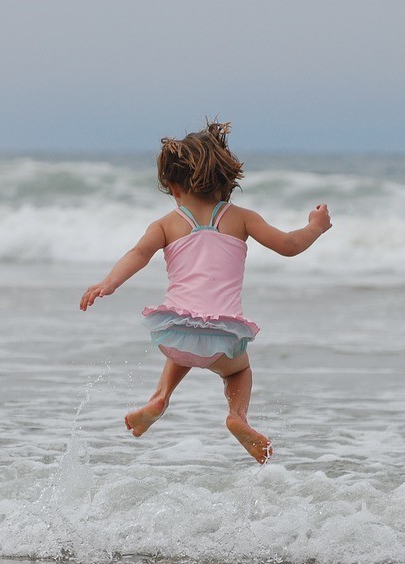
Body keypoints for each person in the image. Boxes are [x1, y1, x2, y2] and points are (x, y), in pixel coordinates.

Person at [79, 121, 331, 463]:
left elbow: (138, 254)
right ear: (227, 181)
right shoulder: (241, 218)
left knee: (185, 341)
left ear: (174, 187)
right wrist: (315, 227)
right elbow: (288, 245)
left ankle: (159, 399)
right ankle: (238, 417)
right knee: (238, 371)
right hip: (222, 337)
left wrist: (108, 283)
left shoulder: (166, 224)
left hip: (173, 332)